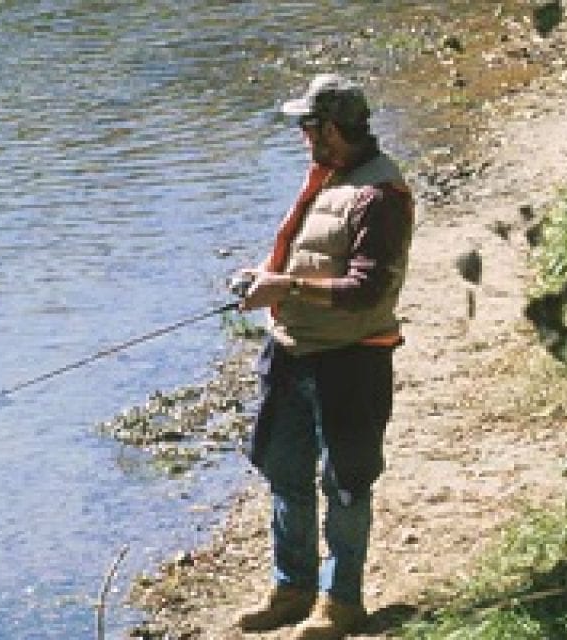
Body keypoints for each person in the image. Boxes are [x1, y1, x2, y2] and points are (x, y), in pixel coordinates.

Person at [232, 73, 414, 639]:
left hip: (351, 362)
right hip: (291, 354)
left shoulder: (381, 196)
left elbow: (366, 290)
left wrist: (283, 287)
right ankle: (293, 589)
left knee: (346, 483)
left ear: (330, 129)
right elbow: (308, 260)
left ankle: (342, 603)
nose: (302, 136)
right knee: (284, 472)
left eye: (307, 126)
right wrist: (262, 279)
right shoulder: (331, 178)